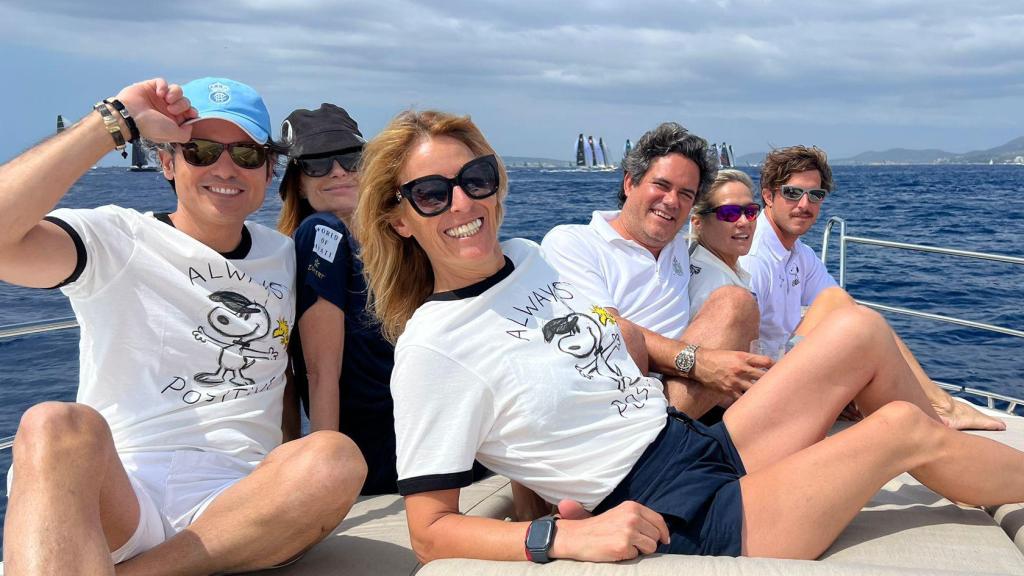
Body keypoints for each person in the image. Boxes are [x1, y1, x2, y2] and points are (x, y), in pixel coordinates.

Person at [355, 108, 1024, 564]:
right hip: (674, 512)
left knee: (856, 328)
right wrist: (555, 538)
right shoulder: (433, 347)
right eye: (433, 194)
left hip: (692, 444)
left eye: (476, 179)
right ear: (398, 220)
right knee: (900, 428)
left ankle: (955, 449)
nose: (466, 203)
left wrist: (687, 360)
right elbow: (429, 531)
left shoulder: (533, 259)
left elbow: (609, 340)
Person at [0, 77, 366, 574]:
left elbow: (290, 372)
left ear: (270, 169)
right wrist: (112, 123)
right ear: (167, 161)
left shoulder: (284, 254)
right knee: (51, 424)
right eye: (201, 150)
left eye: (247, 154)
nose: (225, 168)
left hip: (241, 506)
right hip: (123, 497)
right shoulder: (116, 238)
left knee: (334, 456)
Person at [738, 146, 1004, 430]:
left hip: (784, 375)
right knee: (839, 304)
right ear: (768, 196)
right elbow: (746, 359)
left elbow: (848, 314)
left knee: (851, 313)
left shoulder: (798, 254)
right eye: (792, 193)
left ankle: (934, 404)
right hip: (764, 398)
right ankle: (939, 406)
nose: (804, 204)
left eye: (815, 195)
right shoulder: (756, 257)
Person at [543, 123, 768, 422]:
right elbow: (607, 332)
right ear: (629, 184)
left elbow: (713, 242)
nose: (672, 201)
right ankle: (658, 437)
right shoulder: (573, 242)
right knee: (622, 333)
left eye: (686, 194)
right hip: (615, 397)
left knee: (737, 302)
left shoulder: (675, 245)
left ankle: (669, 433)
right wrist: (698, 363)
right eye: (661, 186)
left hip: (675, 396)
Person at [276, 103, 401, 494]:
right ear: (297, 182)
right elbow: (319, 372)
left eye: (349, 158)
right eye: (316, 164)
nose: (337, 171)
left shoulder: (384, 242)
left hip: (411, 433)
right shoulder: (323, 233)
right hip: (383, 453)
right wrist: (326, 481)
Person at [687, 169, 759, 318]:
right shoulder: (715, 288)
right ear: (698, 222)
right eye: (729, 213)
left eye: (750, 212)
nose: (744, 222)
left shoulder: (706, 263)